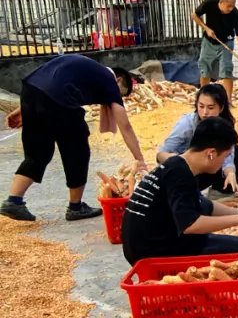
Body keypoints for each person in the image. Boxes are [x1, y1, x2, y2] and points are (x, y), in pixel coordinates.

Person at [2, 56, 146, 223]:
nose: (115, 98)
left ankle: (13, 200)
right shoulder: (108, 79)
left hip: (32, 91)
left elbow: (49, 81)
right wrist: (139, 159)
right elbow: (125, 126)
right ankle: (75, 207)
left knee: (37, 153)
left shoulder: (88, 69)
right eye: (120, 92)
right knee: (77, 150)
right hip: (59, 98)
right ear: (119, 79)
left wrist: (27, 108)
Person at [121, 116, 238, 265]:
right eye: (224, 157)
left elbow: (202, 203)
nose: (224, 162)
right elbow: (190, 225)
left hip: (144, 244)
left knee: (213, 234)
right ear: (211, 153)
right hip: (151, 252)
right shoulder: (181, 175)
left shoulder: (177, 164)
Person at [157, 83, 238, 196]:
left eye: (210, 108)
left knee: (237, 150)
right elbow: (161, 154)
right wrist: (179, 162)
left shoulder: (224, 126)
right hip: (185, 171)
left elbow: (228, 156)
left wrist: (231, 173)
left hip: (209, 168)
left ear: (221, 108)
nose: (205, 113)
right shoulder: (186, 124)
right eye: (201, 106)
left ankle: (221, 193)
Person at [193, 0, 238, 100]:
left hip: (226, 43)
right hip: (209, 42)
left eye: (233, 6)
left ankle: (228, 100)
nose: (231, 9)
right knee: (205, 69)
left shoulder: (235, 15)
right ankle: (203, 97)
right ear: (221, 2)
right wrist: (206, 28)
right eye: (229, 6)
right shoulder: (209, 3)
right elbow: (194, 15)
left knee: (226, 70)